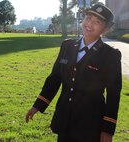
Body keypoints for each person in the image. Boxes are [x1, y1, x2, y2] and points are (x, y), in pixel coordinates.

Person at [25, 3, 122, 142]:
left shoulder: (110, 55)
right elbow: (54, 79)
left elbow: (114, 94)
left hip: (90, 124)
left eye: (97, 22)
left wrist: (107, 130)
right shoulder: (67, 46)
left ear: (105, 29)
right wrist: (37, 106)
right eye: (88, 18)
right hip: (65, 119)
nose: (89, 24)